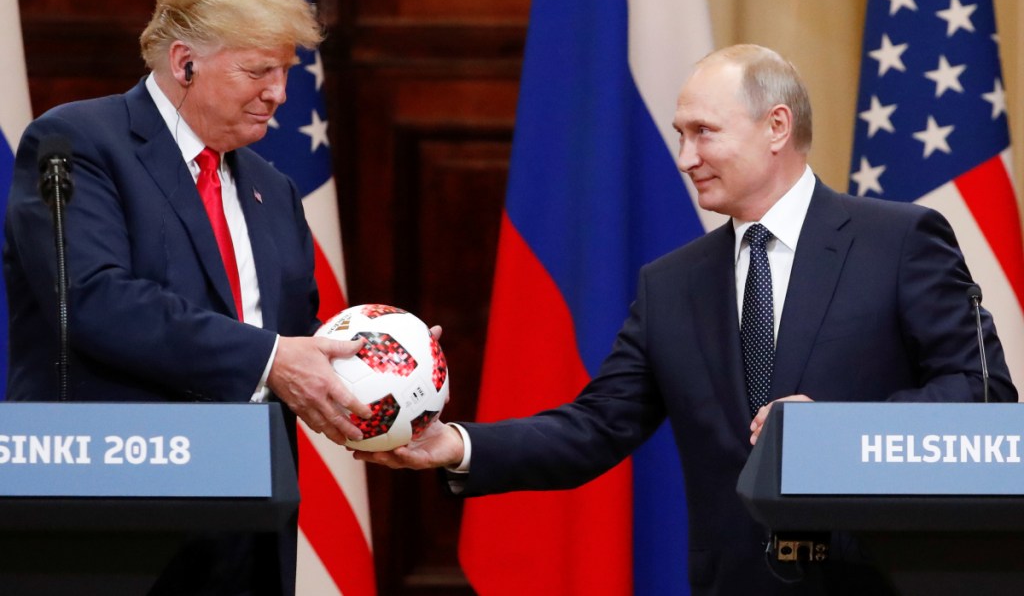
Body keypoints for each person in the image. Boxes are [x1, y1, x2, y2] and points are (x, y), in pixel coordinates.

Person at [356, 44, 1018, 595]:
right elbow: (596, 426)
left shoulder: (901, 240)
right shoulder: (671, 284)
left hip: (881, 581)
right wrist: (458, 445)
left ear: (777, 127)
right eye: (680, 134)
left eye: (703, 132)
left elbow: (981, 394)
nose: (684, 157)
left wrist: (837, 433)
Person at [4, 0, 371, 595]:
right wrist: (275, 359)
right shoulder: (77, 142)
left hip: (248, 518)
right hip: (115, 516)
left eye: (286, 71)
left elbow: (289, 334)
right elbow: (96, 298)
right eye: (259, 70)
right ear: (185, 63)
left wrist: (373, 365)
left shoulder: (272, 189)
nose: (280, 92)